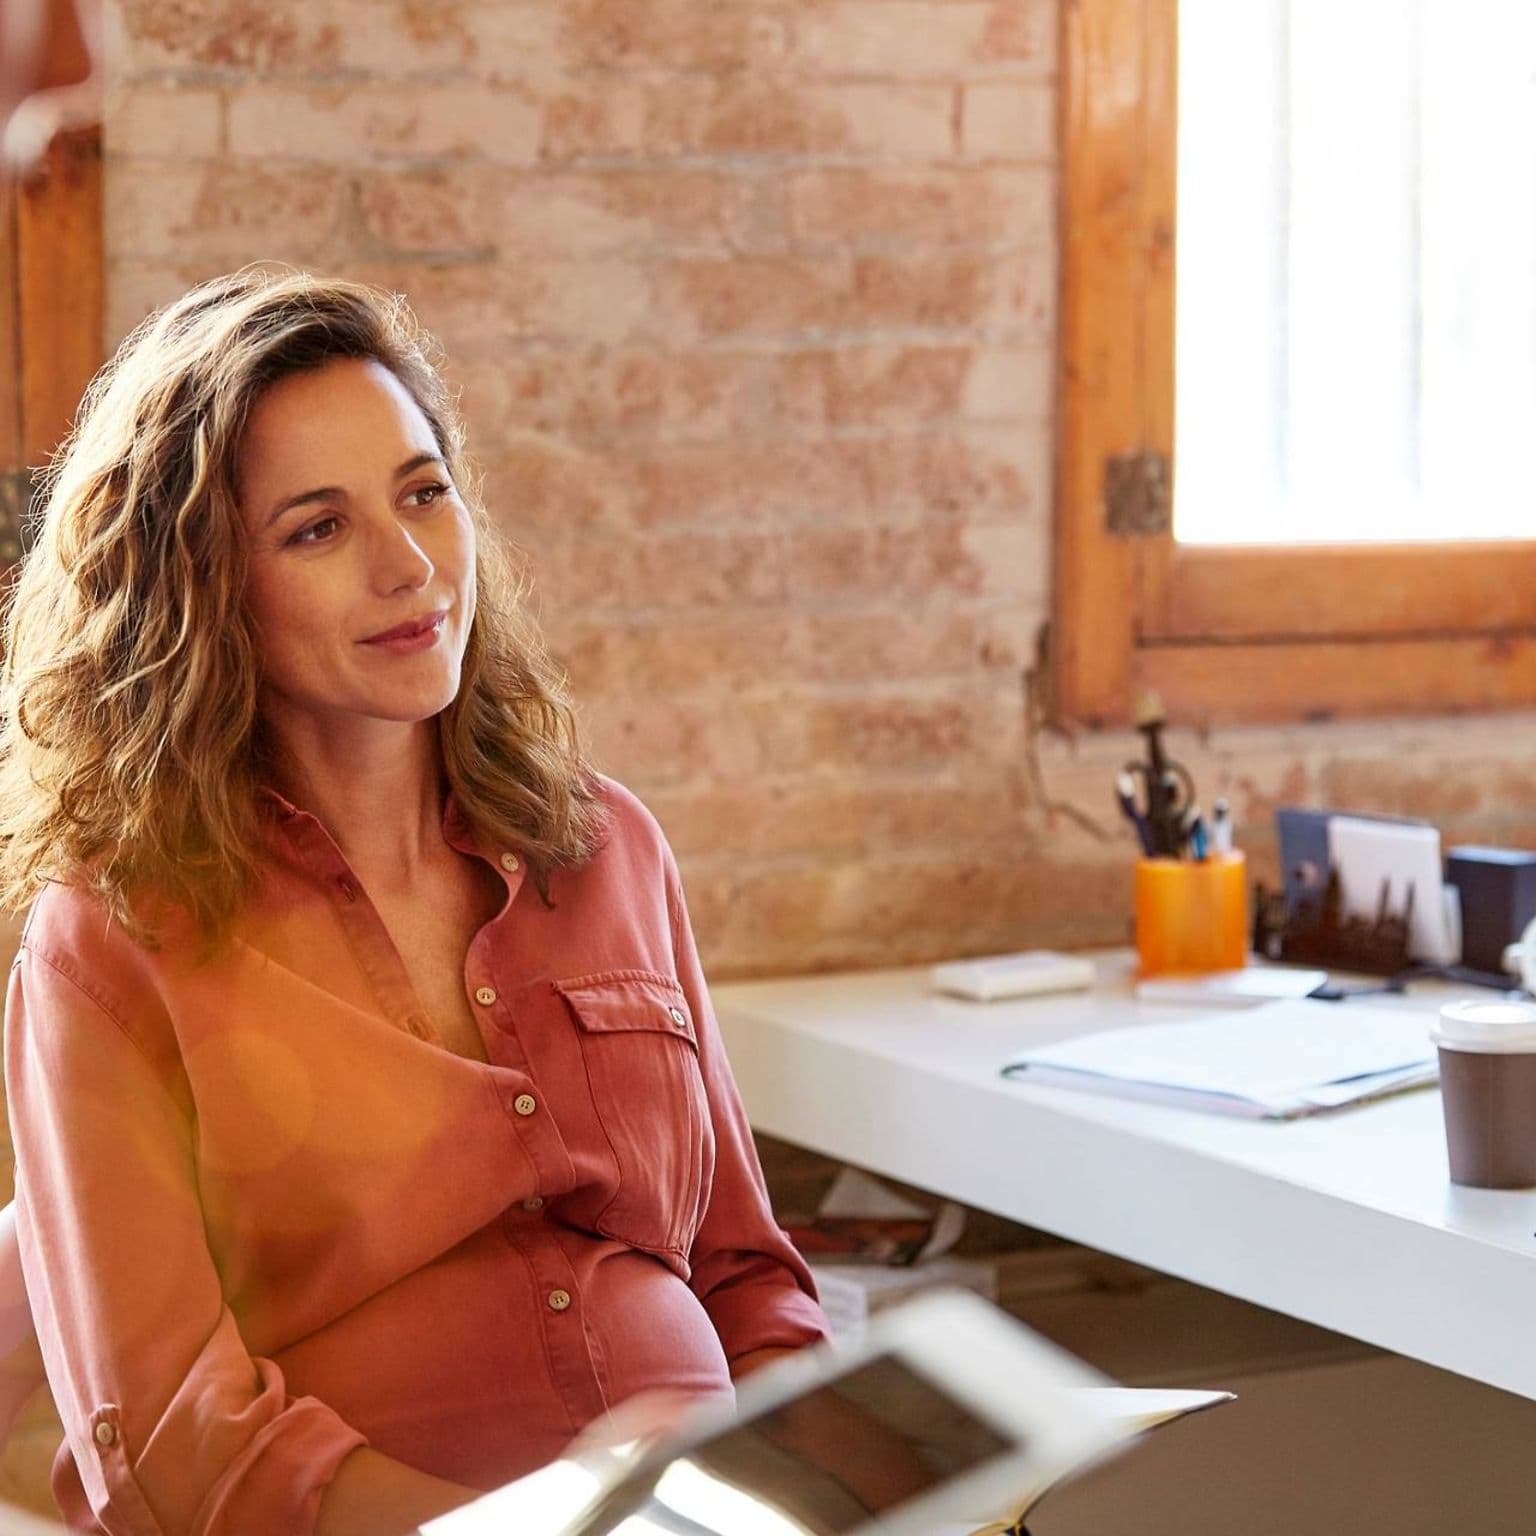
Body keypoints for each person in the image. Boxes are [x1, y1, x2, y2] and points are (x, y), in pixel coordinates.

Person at [0, 269, 829, 1536]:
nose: (409, 566)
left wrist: (821, 1495)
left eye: (423, 493)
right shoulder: (114, 941)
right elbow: (174, 1439)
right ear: (202, 589)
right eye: (317, 529)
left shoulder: (608, 848)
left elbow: (745, 1274)